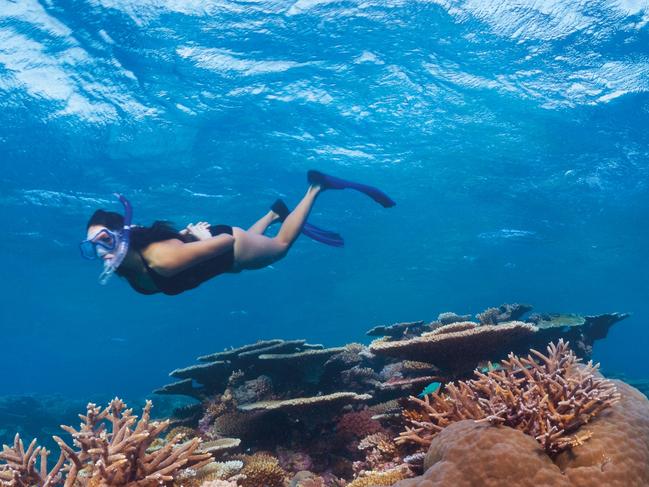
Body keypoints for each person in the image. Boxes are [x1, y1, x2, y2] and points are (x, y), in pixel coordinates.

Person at [80, 170, 395, 295]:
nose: (100, 251)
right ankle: (273, 213)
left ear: (123, 233)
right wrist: (191, 241)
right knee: (245, 266)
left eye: (104, 239)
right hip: (216, 259)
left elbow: (227, 241)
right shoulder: (134, 271)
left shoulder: (161, 259)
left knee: (280, 247)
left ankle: (316, 188)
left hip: (225, 245)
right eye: (92, 247)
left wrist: (204, 241)